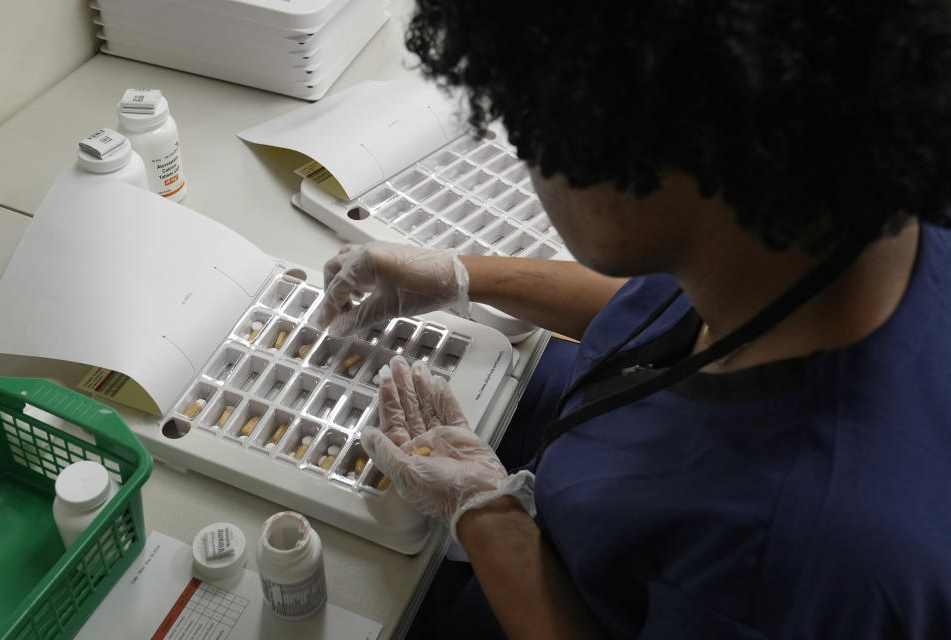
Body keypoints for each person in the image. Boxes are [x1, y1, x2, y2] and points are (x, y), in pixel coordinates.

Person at [311, 2, 951, 638]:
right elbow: (668, 300)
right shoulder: (841, 223)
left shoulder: (794, 563)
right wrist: (461, 275)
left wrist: (485, 515)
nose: (531, 164)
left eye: (534, 129)